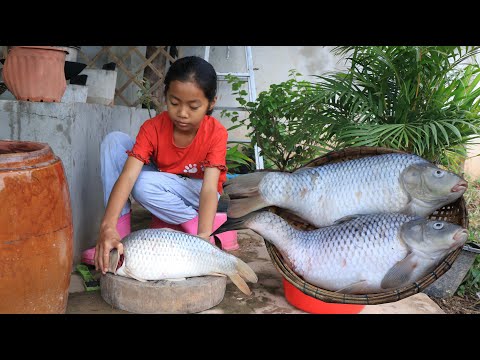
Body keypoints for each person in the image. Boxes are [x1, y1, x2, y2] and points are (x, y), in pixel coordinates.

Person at [93, 55, 228, 274]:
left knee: (143, 184)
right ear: (165, 96)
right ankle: (117, 236)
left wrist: (203, 237)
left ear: (211, 103)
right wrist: (106, 227)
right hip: (165, 185)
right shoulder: (153, 127)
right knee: (114, 142)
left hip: (198, 194)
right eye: (174, 103)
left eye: (193, 106)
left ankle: (192, 222)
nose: (182, 113)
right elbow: (127, 176)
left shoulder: (215, 133)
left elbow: (210, 188)